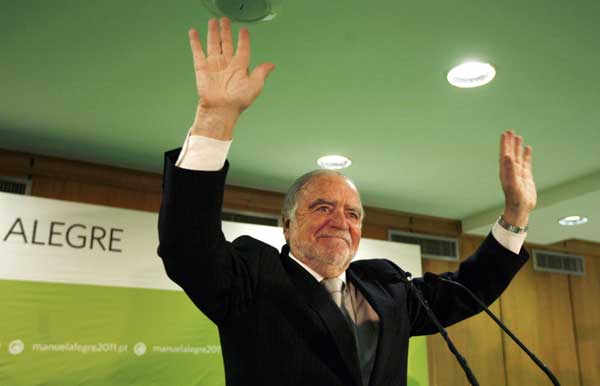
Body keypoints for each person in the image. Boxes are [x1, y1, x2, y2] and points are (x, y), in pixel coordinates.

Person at [157, 17, 536, 386]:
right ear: (287, 224)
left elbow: (470, 289)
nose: (340, 220)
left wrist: (516, 213)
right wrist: (215, 118)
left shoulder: (386, 288)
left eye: (352, 213)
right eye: (322, 207)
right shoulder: (253, 278)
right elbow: (188, 247)